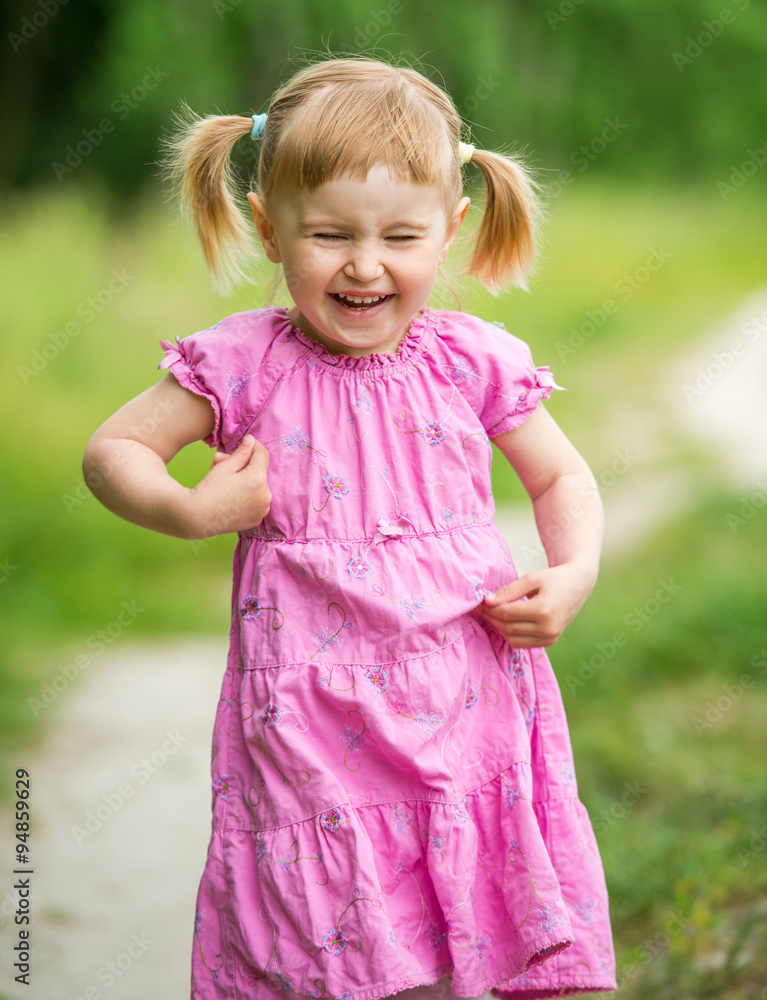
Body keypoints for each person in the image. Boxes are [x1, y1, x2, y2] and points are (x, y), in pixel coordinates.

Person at [83, 55, 616, 1000]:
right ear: (268, 227)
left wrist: (573, 571)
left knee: (458, 928)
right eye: (328, 234)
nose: (364, 264)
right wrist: (192, 510)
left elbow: (560, 474)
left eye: (400, 236)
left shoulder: (470, 360)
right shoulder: (243, 363)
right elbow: (113, 452)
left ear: (450, 227)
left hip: (462, 706)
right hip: (310, 724)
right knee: (338, 937)